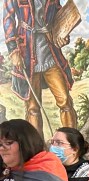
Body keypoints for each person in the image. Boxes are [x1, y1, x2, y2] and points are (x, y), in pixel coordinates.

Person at [2, 0, 77, 133]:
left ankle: (71, 142)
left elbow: (59, 16)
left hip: (50, 53)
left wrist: (62, 35)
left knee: (65, 101)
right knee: (33, 108)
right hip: (26, 55)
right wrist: (13, 50)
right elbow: (8, 19)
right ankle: (37, 148)